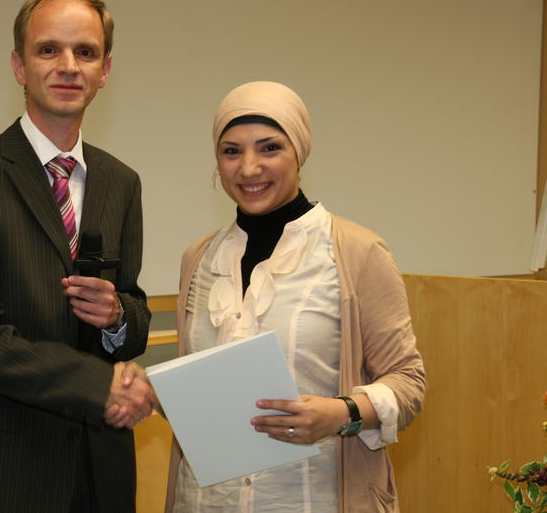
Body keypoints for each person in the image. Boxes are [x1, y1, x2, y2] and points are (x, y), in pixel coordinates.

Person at [0, 0, 156, 513]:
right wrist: (97, 384)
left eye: (86, 52)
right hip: (5, 474)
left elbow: (136, 316)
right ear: (19, 65)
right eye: (48, 49)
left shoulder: (122, 182)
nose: (68, 66)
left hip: (102, 471)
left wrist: (118, 316)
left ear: (105, 70)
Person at [165, 81, 426, 512]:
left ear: (299, 153)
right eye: (231, 151)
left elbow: (408, 382)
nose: (249, 168)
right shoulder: (199, 258)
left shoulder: (356, 251)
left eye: (270, 148)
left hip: (312, 499)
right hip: (204, 501)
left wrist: (342, 413)